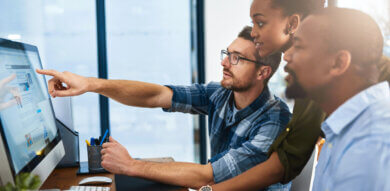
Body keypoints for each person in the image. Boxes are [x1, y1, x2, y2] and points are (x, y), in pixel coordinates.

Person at [36, 26, 292, 189]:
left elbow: (209, 176)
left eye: (237, 58)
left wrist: (130, 165)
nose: (225, 62)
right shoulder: (221, 93)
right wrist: (90, 84)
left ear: (263, 72)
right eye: (227, 53)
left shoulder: (275, 121)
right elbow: (157, 95)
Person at [201, 0, 390, 190]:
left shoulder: (369, 142)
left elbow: (288, 159)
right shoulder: (341, 125)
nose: (253, 33)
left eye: (260, 23)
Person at [283, 8, 390, 190]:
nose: (286, 56)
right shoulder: (344, 130)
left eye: (299, 46)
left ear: (338, 63)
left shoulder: (372, 142)